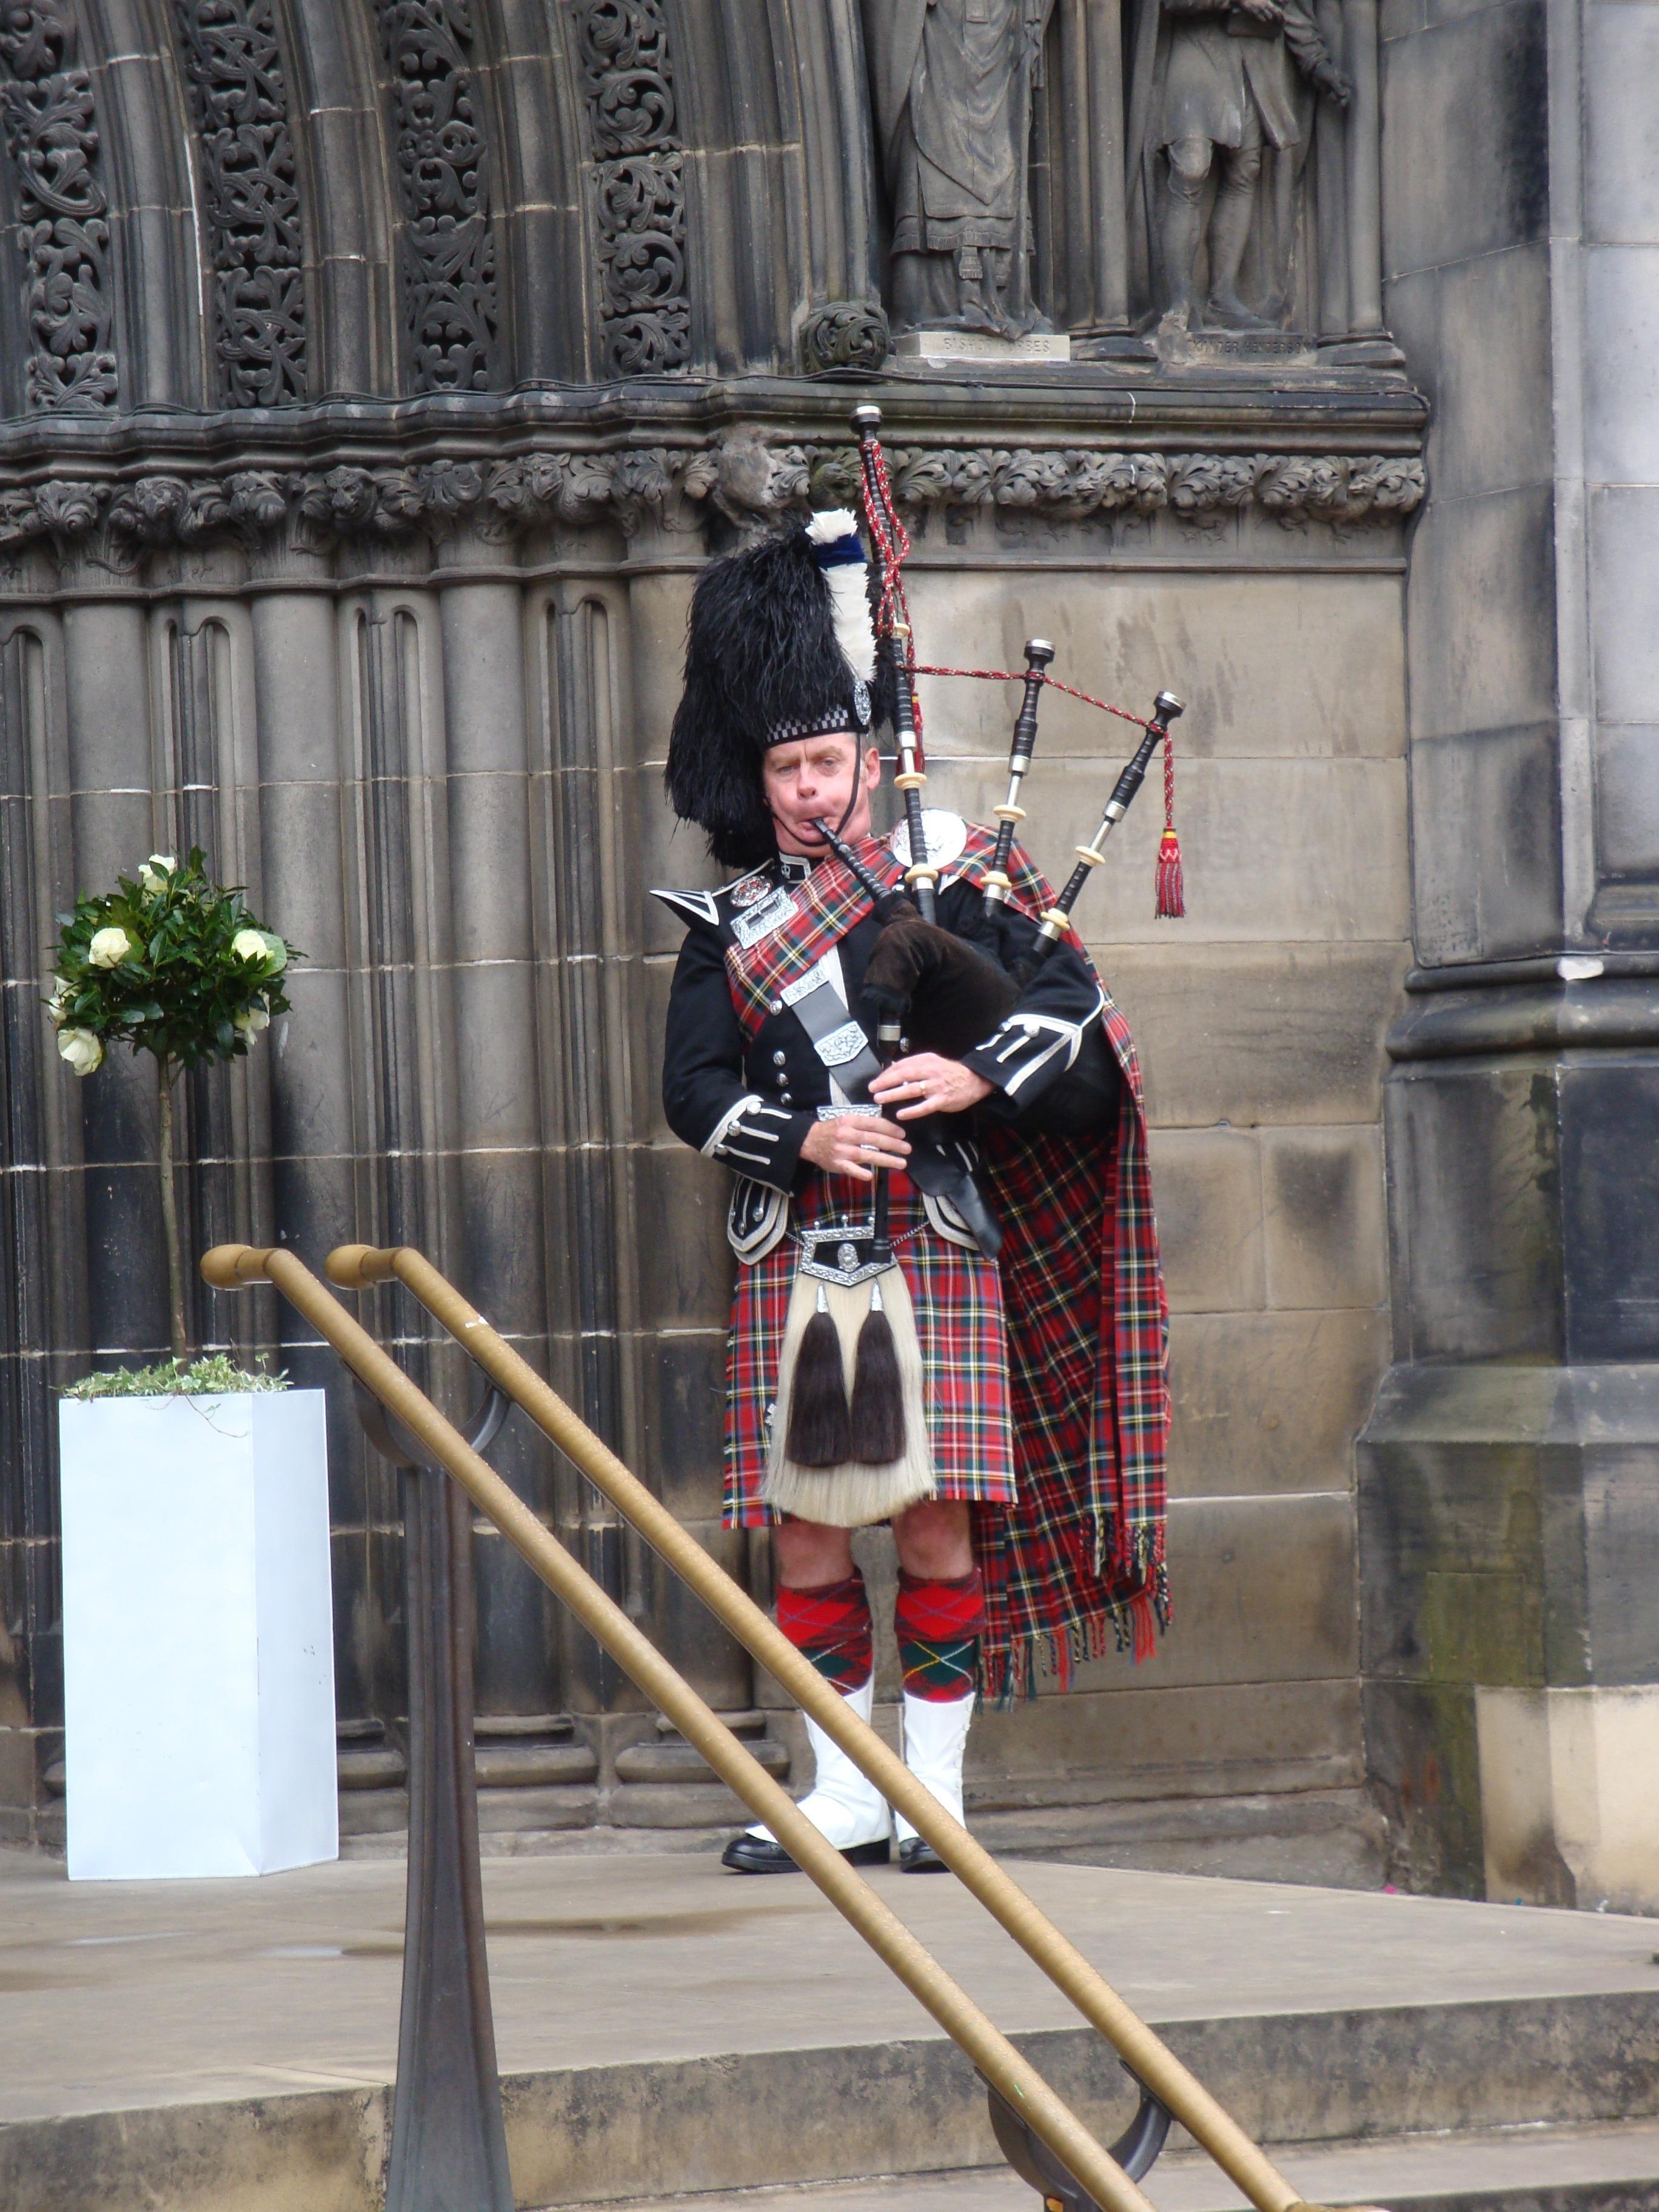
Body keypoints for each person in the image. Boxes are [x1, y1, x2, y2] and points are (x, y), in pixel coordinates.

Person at [654, 510, 1169, 1873]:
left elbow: (1081, 1012)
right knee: (811, 1539)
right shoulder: (725, 928)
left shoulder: (955, 879)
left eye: (830, 762)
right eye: (788, 769)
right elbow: (692, 1095)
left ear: (869, 764)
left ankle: (935, 1794)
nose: (812, 791)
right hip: (798, 1246)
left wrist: (976, 1083)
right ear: (755, 778)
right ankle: (843, 1795)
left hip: (933, 1238)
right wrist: (804, 1138)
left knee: (936, 1519)